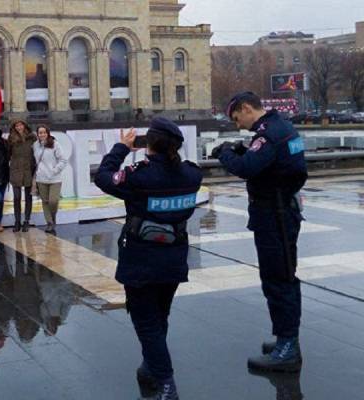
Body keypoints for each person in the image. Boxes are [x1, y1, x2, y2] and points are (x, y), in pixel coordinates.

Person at [95, 117, 202, 400]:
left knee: (146, 323)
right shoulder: (192, 175)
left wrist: (121, 147)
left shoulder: (139, 175)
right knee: (160, 316)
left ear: (149, 144)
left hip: (141, 260)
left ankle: (166, 383)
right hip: (174, 258)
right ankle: (151, 367)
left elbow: (103, 176)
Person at [211, 92, 307, 373]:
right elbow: (273, 164)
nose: (237, 123)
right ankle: (286, 339)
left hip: (274, 215)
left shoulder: (268, 133)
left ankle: (287, 347)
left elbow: (248, 168)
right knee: (281, 275)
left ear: (246, 108)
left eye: (236, 117)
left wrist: (225, 153)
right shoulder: (282, 127)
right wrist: (244, 149)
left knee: (279, 278)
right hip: (280, 210)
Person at [33, 124, 67, 234]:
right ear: (37, 134)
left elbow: (63, 160)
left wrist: (54, 170)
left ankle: (52, 217)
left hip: (54, 179)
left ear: (48, 133)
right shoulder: (35, 145)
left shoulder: (55, 144)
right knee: (45, 201)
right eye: (40, 133)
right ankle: (49, 223)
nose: (42, 134)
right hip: (41, 179)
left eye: (44, 132)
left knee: (53, 201)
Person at [8, 120, 36, 232]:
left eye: (21, 125)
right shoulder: (11, 139)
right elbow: (7, 154)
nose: (19, 127)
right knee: (16, 197)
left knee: (28, 197)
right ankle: (17, 221)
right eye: (17, 125)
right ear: (14, 127)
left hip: (29, 169)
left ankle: (26, 221)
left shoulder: (32, 138)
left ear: (25, 126)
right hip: (15, 170)